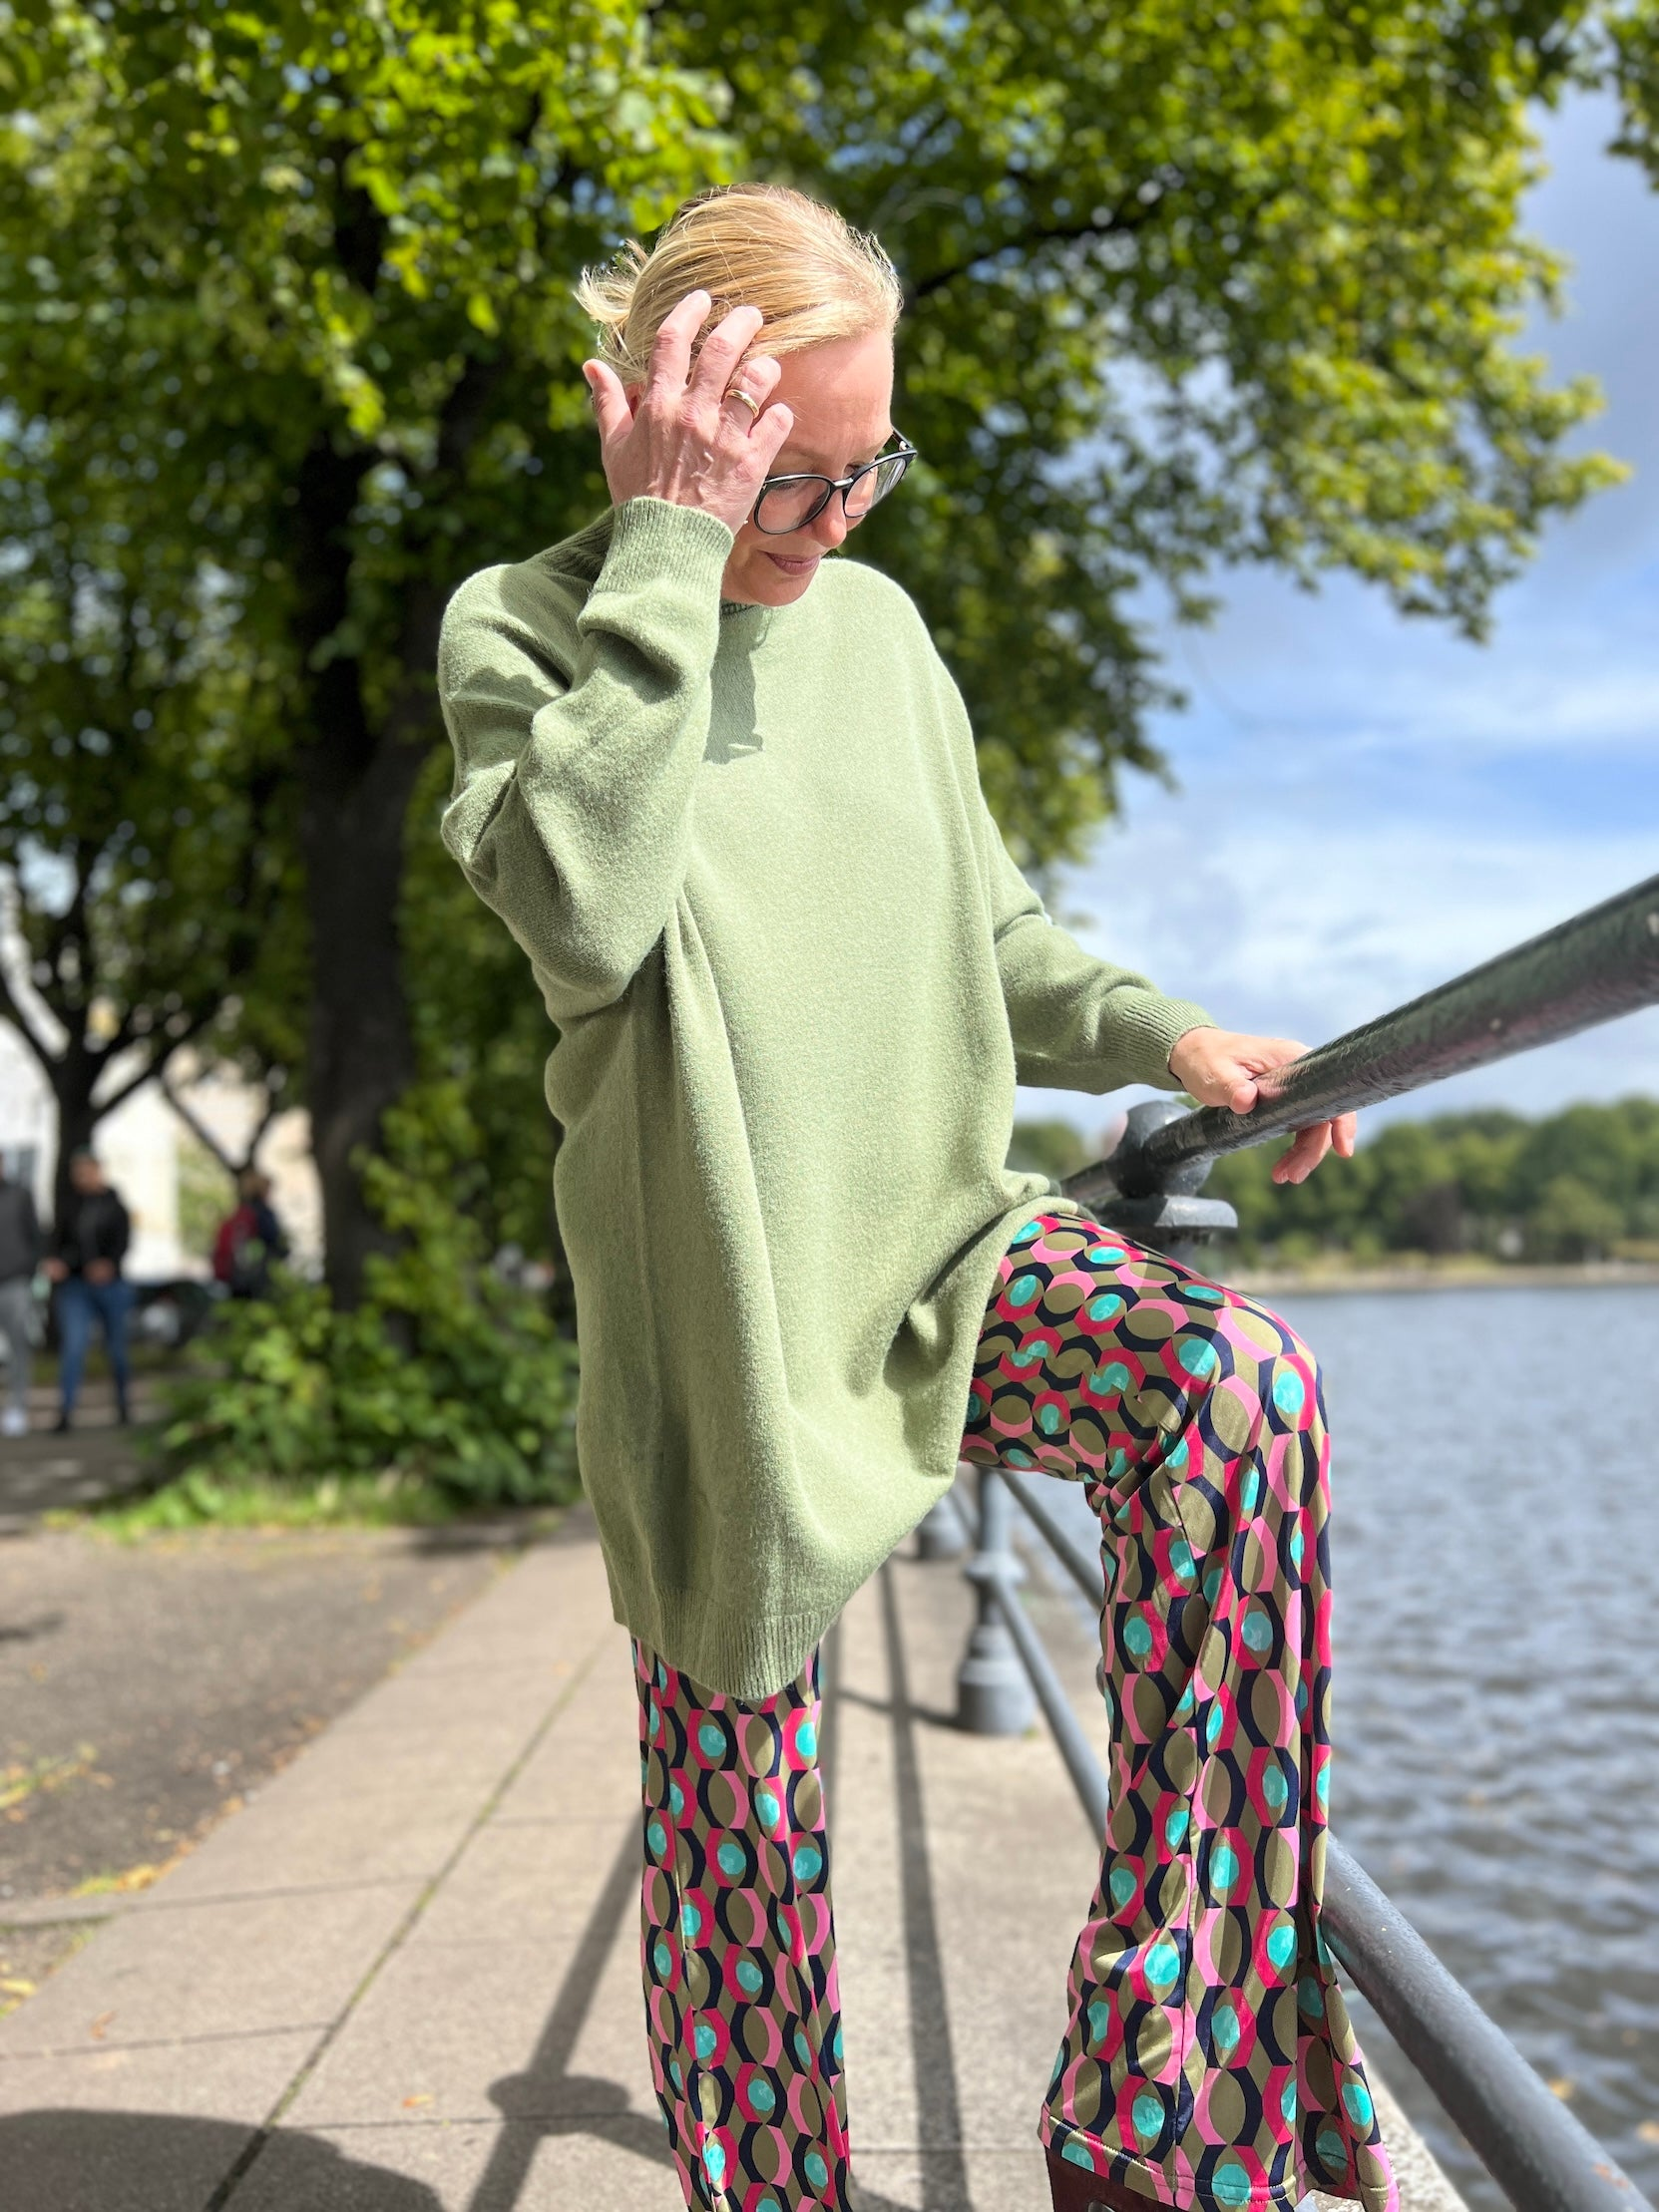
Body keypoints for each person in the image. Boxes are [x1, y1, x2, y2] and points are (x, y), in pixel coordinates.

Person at [437, 184, 1394, 2212]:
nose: (838, 515)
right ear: (663, 425)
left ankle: (1156, 2103)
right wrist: (676, 557)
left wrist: (1169, 1033)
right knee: (744, 1855)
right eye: (789, 473)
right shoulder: (525, 632)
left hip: (955, 1243)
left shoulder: (881, 630)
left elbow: (990, 931)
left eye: (867, 460)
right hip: (733, 1316)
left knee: (1244, 1398)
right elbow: (592, 914)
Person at [45, 1150, 133, 1432]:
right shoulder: (69, 1206)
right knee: (73, 1347)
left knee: (116, 1349)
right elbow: (56, 1241)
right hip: (76, 1284)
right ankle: (66, 1411)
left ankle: (123, 1405)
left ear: (97, 1171)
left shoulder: (115, 1206)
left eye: (85, 1172)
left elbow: (123, 1243)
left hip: (110, 1285)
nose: (80, 1178)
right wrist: (56, 1263)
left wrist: (109, 1264)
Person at [0, 1157, 42, 1438]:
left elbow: (36, 1236)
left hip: (14, 1281)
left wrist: (28, 1271)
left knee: (18, 1349)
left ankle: (17, 1408)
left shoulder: (19, 1195)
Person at [210, 1168, 288, 1299]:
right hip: (259, 1279)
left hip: (236, 1278)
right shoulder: (263, 1214)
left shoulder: (239, 1214)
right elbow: (275, 1242)